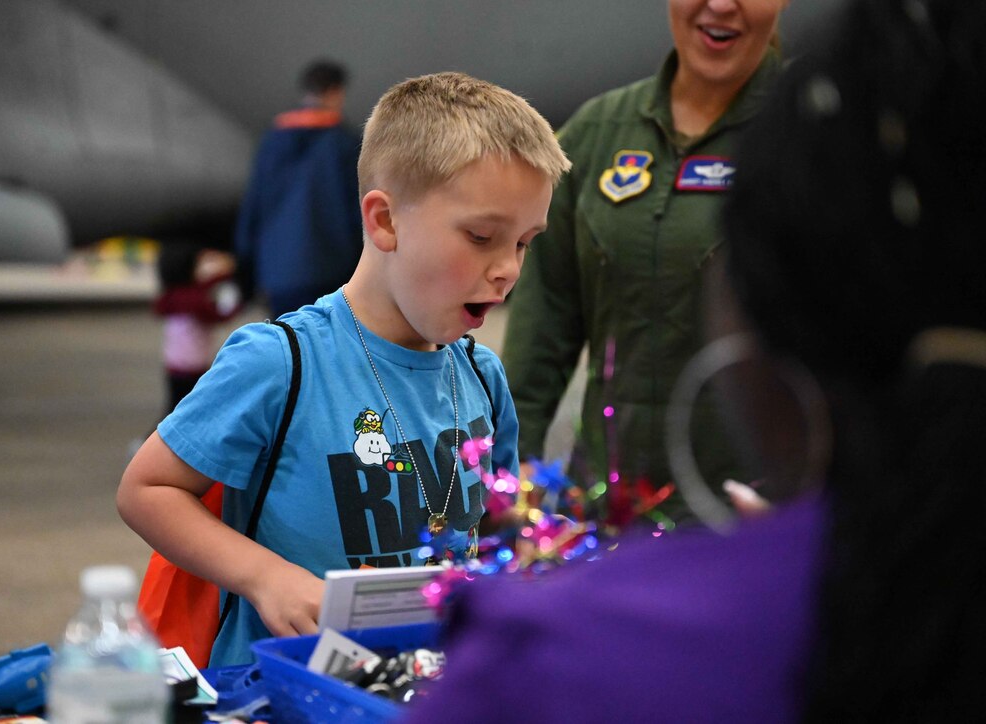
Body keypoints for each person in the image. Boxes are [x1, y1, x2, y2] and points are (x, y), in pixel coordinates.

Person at [405, 0, 986, 720]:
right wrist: (502, 485)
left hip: (754, 528)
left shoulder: (840, 131)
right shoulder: (594, 135)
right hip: (606, 527)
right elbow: (543, 332)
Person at [118, 71, 570, 667]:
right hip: (284, 690)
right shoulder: (281, 362)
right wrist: (264, 577)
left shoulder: (483, 377)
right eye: (483, 236)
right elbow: (146, 489)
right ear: (384, 222)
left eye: (523, 243)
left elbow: (500, 533)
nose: (508, 268)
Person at [502, 0, 790, 523]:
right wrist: (509, 474)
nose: (721, 5)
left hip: (756, 516)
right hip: (608, 513)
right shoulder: (597, 134)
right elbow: (541, 328)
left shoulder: (816, 133)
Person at [233, 59, 362, 318]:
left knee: (290, 349)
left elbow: (253, 208)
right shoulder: (344, 144)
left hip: (278, 275)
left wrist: (245, 269)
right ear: (336, 92)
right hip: (332, 274)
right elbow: (357, 212)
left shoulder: (271, 141)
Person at [153, 240, 241, 416]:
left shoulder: (173, 295)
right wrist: (235, 305)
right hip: (192, 367)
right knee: (183, 410)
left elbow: (205, 287)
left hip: (175, 364)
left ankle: (152, 441)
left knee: (176, 407)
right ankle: (151, 441)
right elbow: (216, 315)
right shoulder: (192, 298)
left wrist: (223, 275)